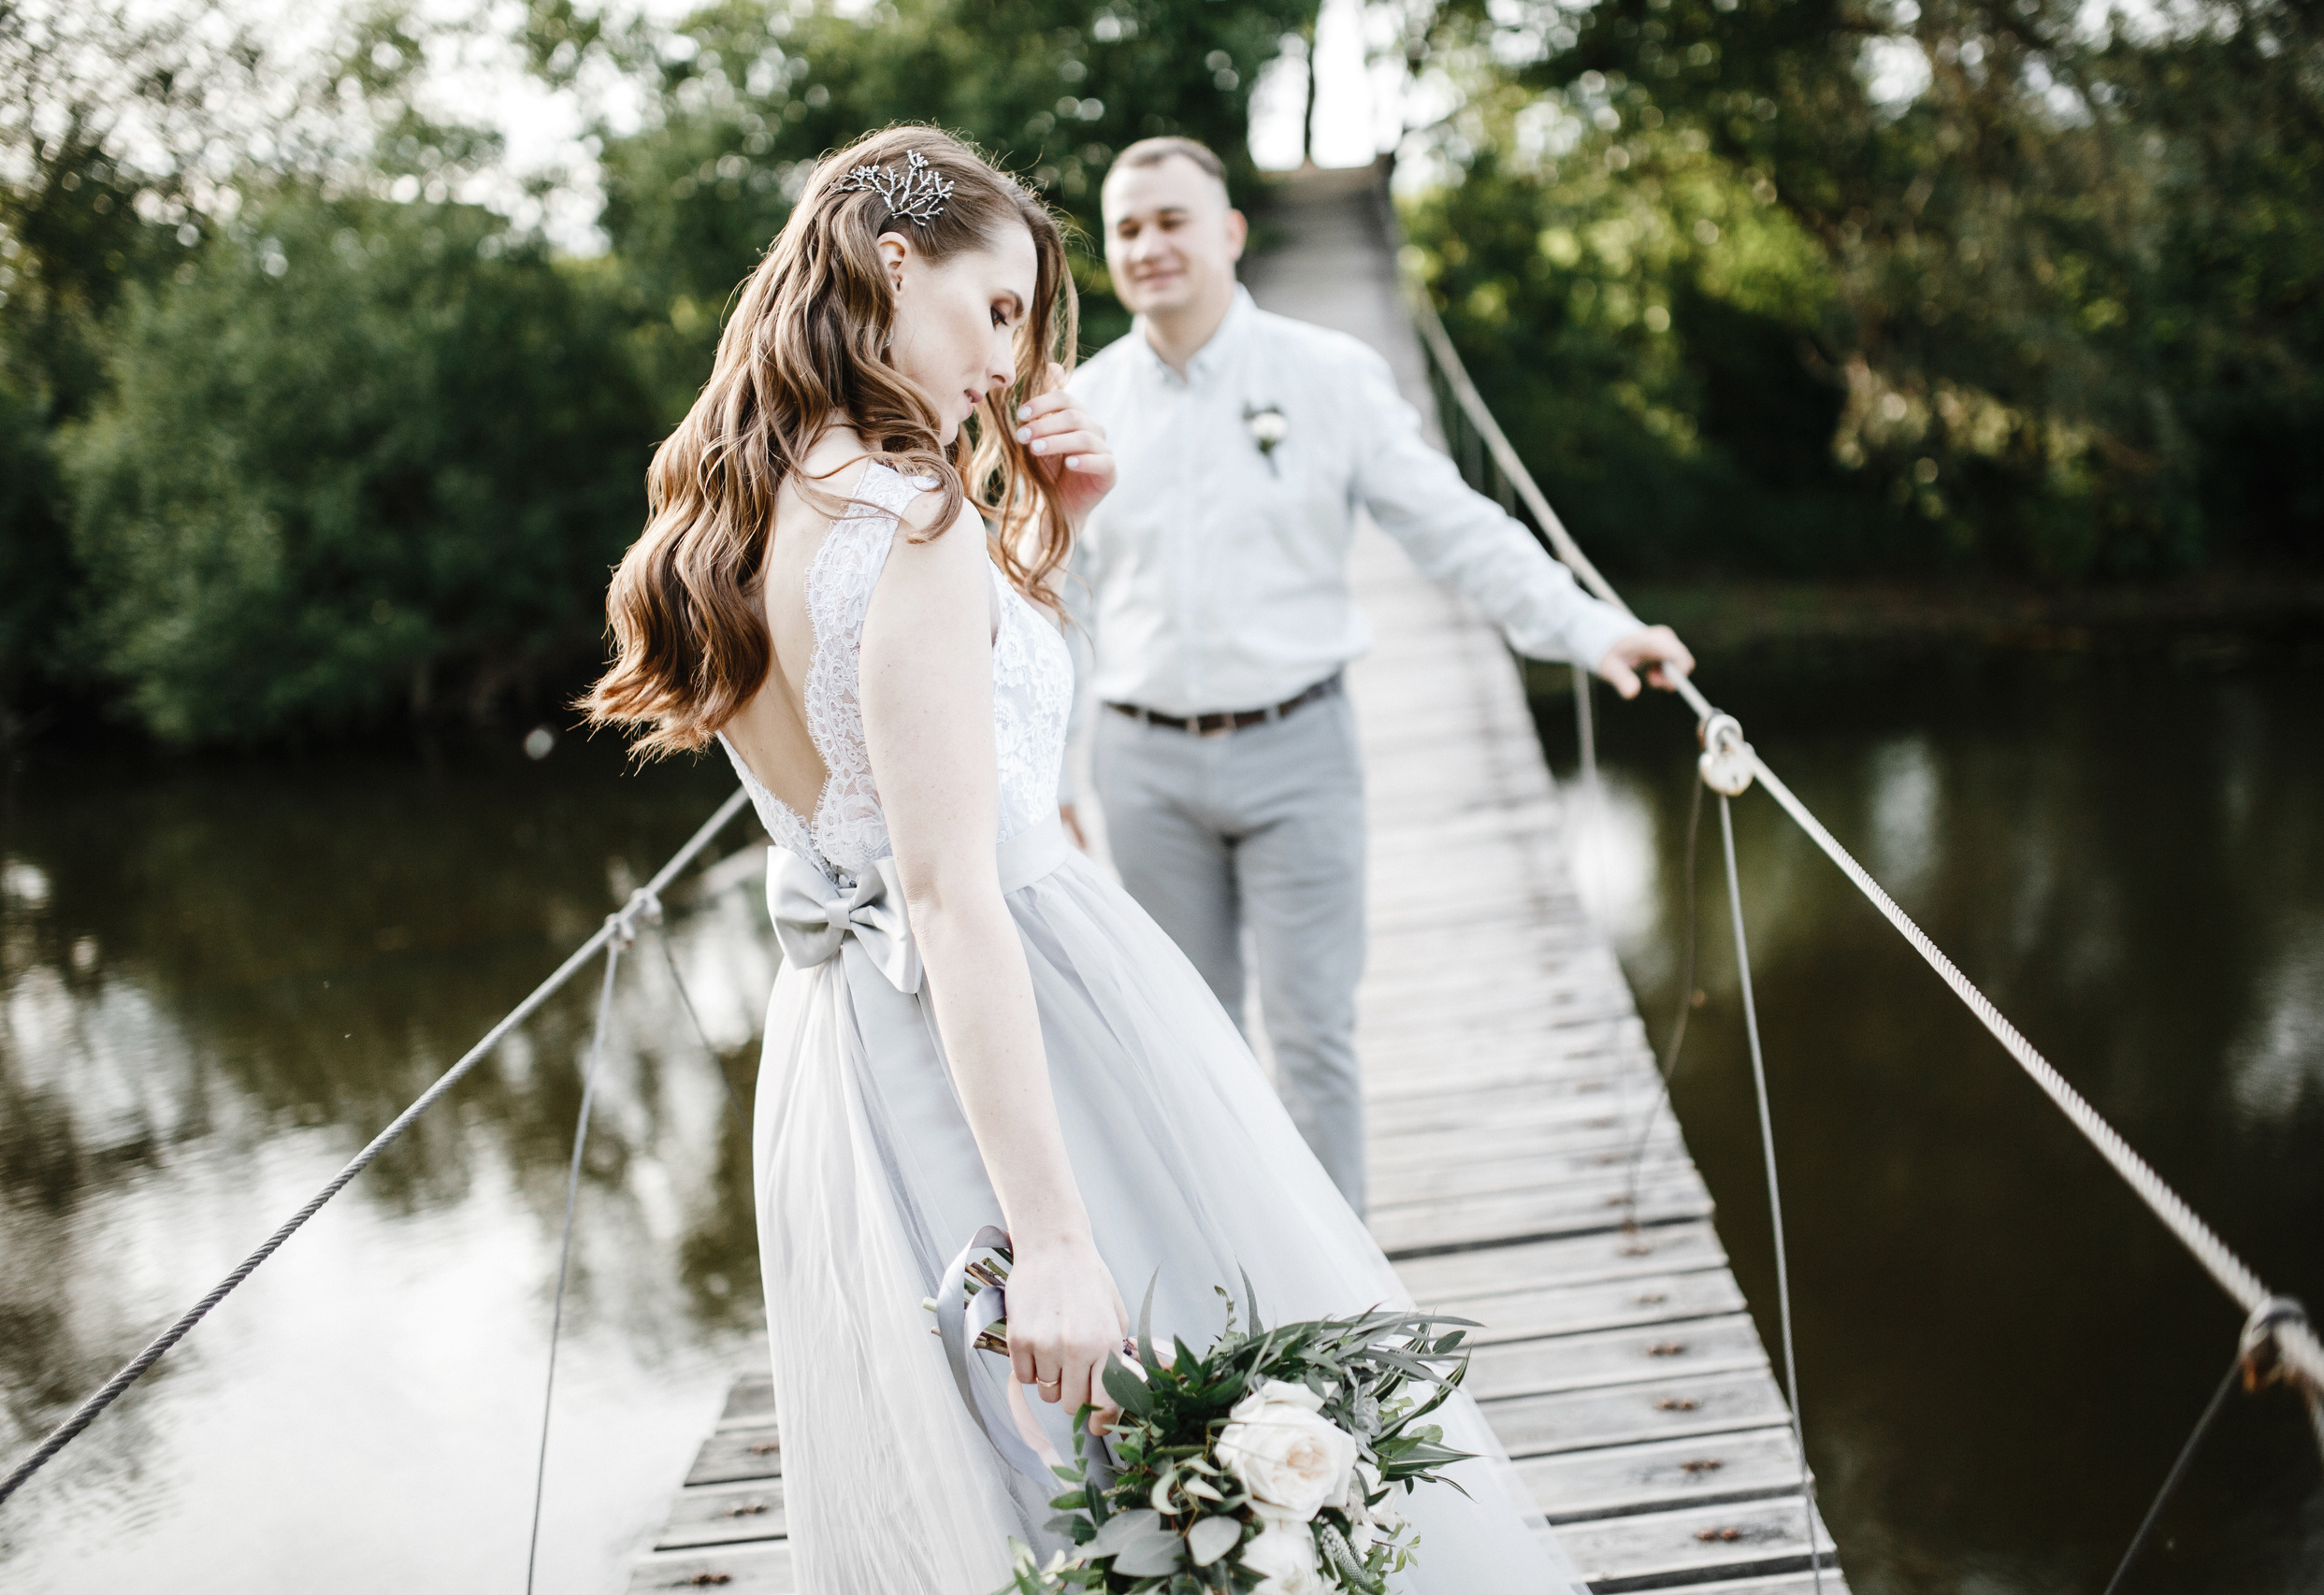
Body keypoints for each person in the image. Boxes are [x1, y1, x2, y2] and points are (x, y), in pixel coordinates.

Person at [581, 126, 1582, 1594]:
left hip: (851, 1048)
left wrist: (1050, 539)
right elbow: (945, 883)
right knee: (1158, 1420)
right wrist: (1051, 1238)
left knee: (1000, 1468)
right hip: (1022, 1014)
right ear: (890, 262)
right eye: (996, 311)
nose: (1013, 361)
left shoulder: (728, 518)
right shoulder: (911, 526)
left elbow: (904, 764)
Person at [1067, 137, 1696, 1215]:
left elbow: (1456, 528)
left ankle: (1342, 1311)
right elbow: (1055, 609)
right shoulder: (1080, 403)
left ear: (1228, 233)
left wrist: (1593, 631)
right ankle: (1228, 1284)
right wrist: (1056, 781)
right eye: (1127, 228)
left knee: (1315, 1034)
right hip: (1141, 769)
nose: (1147, 246)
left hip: (1297, 752)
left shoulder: (1329, 377)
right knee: (1186, 1045)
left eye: (1171, 220)